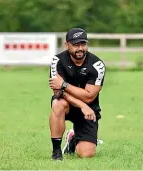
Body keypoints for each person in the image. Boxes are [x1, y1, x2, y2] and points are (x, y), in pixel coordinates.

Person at [49, 28, 106, 160]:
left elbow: (89, 96)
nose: (80, 48)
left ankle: (73, 138)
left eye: (83, 44)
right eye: (76, 45)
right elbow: (57, 92)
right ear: (66, 44)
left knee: (86, 154)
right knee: (58, 103)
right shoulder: (57, 61)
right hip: (69, 104)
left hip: (89, 109)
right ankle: (56, 152)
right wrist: (82, 105)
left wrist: (64, 85)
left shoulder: (97, 65)